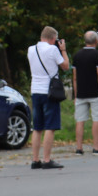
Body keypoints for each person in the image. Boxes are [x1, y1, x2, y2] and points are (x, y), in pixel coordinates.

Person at [27, 26, 70, 169]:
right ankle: (46, 160)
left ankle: (35, 160)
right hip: (49, 92)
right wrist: (63, 50)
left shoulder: (31, 49)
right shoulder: (52, 50)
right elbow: (65, 66)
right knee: (50, 127)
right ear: (53, 39)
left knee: (37, 127)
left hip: (35, 91)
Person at [71, 31, 98, 154]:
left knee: (80, 120)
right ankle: (96, 147)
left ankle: (79, 148)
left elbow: (74, 78)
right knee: (97, 119)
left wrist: (75, 94)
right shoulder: (97, 55)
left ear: (85, 41)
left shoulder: (77, 56)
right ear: (96, 41)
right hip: (95, 92)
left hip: (81, 93)